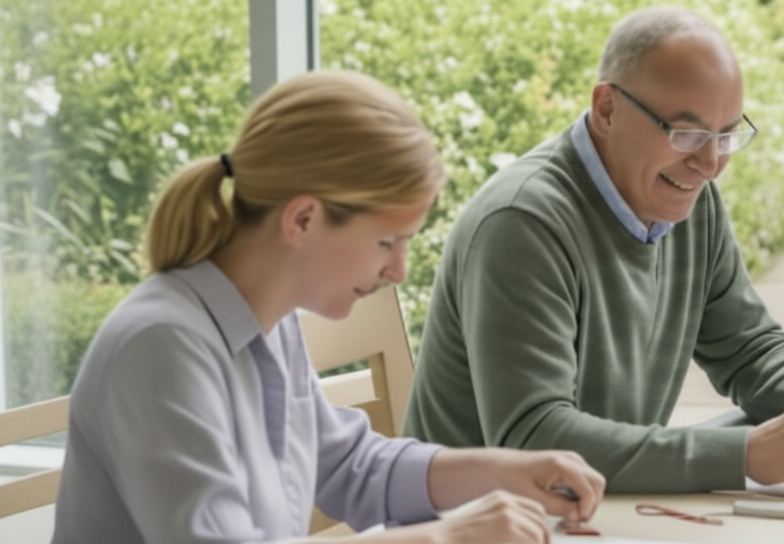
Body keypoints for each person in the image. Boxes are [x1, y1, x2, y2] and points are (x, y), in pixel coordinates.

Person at [402, 6, 784, 493]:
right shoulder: (522, 224)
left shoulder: (685, 199)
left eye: (726, 135)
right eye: (686, 134)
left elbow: (750, 349)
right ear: (607, 108)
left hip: (598, 514)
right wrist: (741, 456)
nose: (710, 164)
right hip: (475, 525)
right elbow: (534, 438)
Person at [52, 70, 606, 544]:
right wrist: (443, 536)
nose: (398, 271)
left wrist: (505, 471)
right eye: (387, 242)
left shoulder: (269, 324)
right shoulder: (162, 348)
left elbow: (348, 465)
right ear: (303, 219)